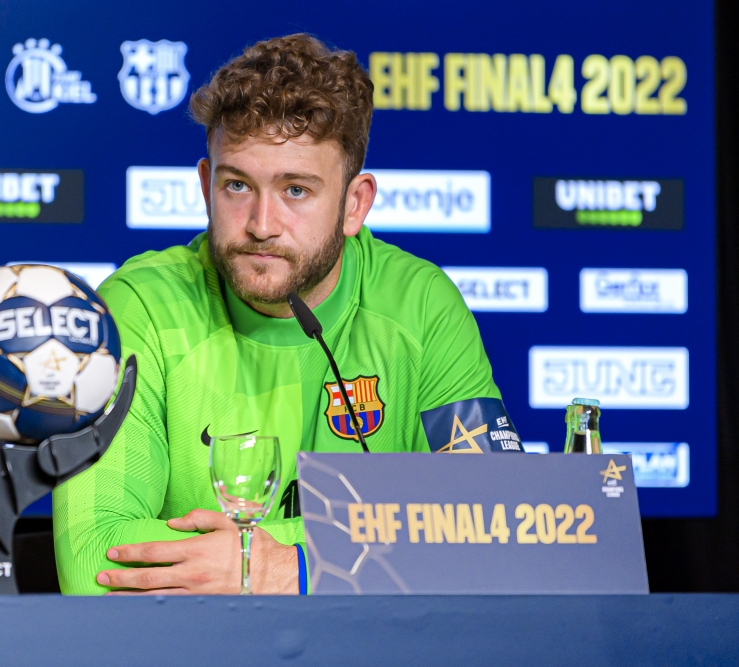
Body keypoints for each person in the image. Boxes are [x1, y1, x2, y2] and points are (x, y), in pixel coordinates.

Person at [53, 33, 522, 595]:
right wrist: (384, 543)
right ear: (205, 185)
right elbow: (92, 561)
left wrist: (286, 568)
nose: (260, 224)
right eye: (237, 185)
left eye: (295, 190)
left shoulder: (421, 306)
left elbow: (498, 531)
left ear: (354, 204)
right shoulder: (139, 309)